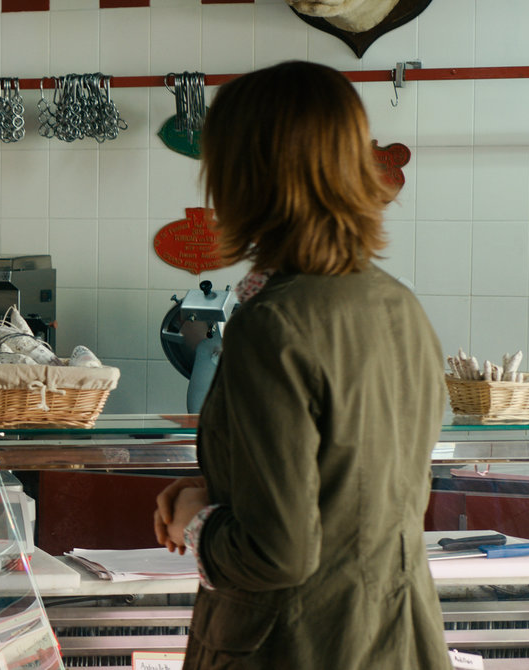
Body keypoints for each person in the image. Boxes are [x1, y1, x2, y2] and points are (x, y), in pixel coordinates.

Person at [152, 61, 449, 669]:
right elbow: (355, 493)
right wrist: (224, 488)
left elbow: (278, 552)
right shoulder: (398, 304)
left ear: (247, 178)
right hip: (399, 640)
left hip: (298, 648)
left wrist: (194, 523)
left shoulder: (273, 324)